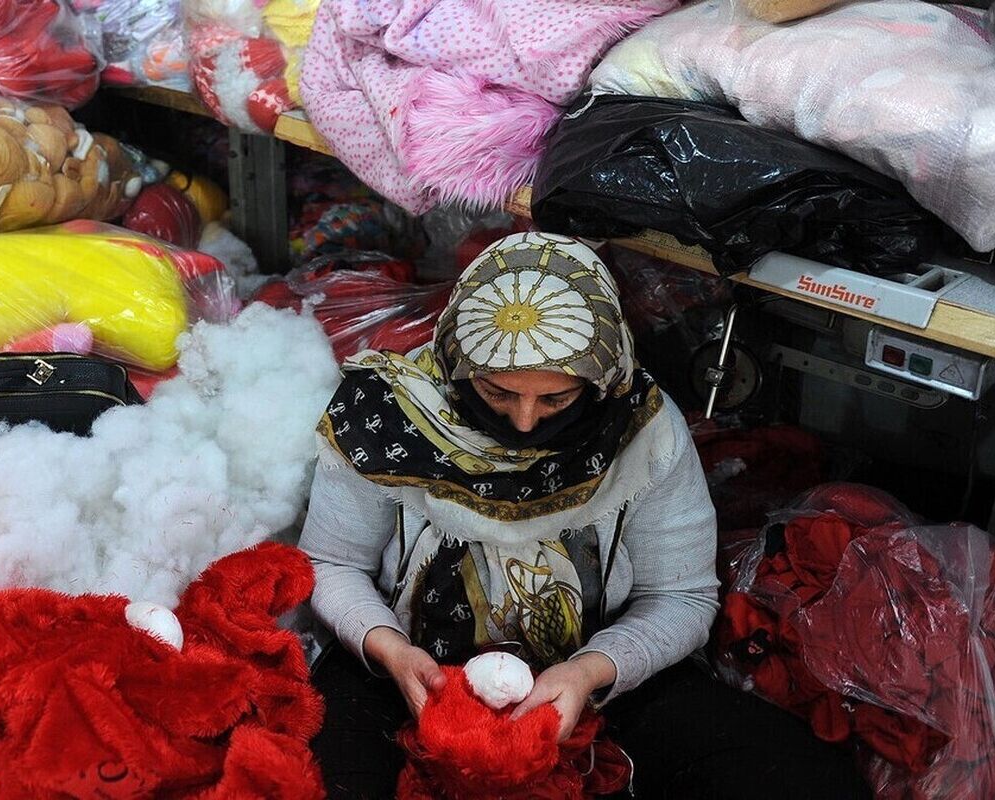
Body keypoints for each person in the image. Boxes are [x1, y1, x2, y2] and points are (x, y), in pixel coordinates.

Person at [298, 233, 870, 799]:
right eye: (497, 394)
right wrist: (391, 651)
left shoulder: (641, 428)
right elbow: (330, 562)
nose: (524, 423)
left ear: (598, 382)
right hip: (410, 669)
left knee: (799, 779)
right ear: (456, 359)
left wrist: (588, 673)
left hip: (590, 672)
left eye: (555, 401)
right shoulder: (384, 419)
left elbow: (683, 597)